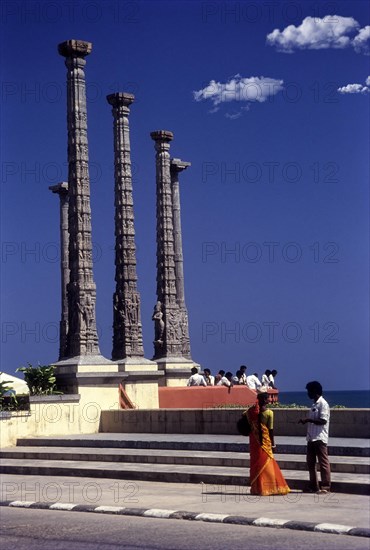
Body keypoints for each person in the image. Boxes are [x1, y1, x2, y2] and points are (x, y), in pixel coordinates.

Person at [245, 390, 290, 496]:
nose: (269, 399)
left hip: (255, 442)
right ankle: (270, 486)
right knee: (267, 463)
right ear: (264, 400)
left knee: (257, 463)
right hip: (265, 442)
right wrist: (273, 444)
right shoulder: (269, 413)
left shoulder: (250, 411)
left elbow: (245, 421)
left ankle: (258, 488)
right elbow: (270, 430)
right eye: (267, 398)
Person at [298, 381, 331, 494]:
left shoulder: (323, 404)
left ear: (315, 391)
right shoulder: (314, 405)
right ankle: (313, 486)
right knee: (311, 463)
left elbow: (323, 420)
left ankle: (325, 486)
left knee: (323, 463)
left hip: (320, 438)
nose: (308, 393)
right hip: (311, 438)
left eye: (309, 391)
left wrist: (308, 420)